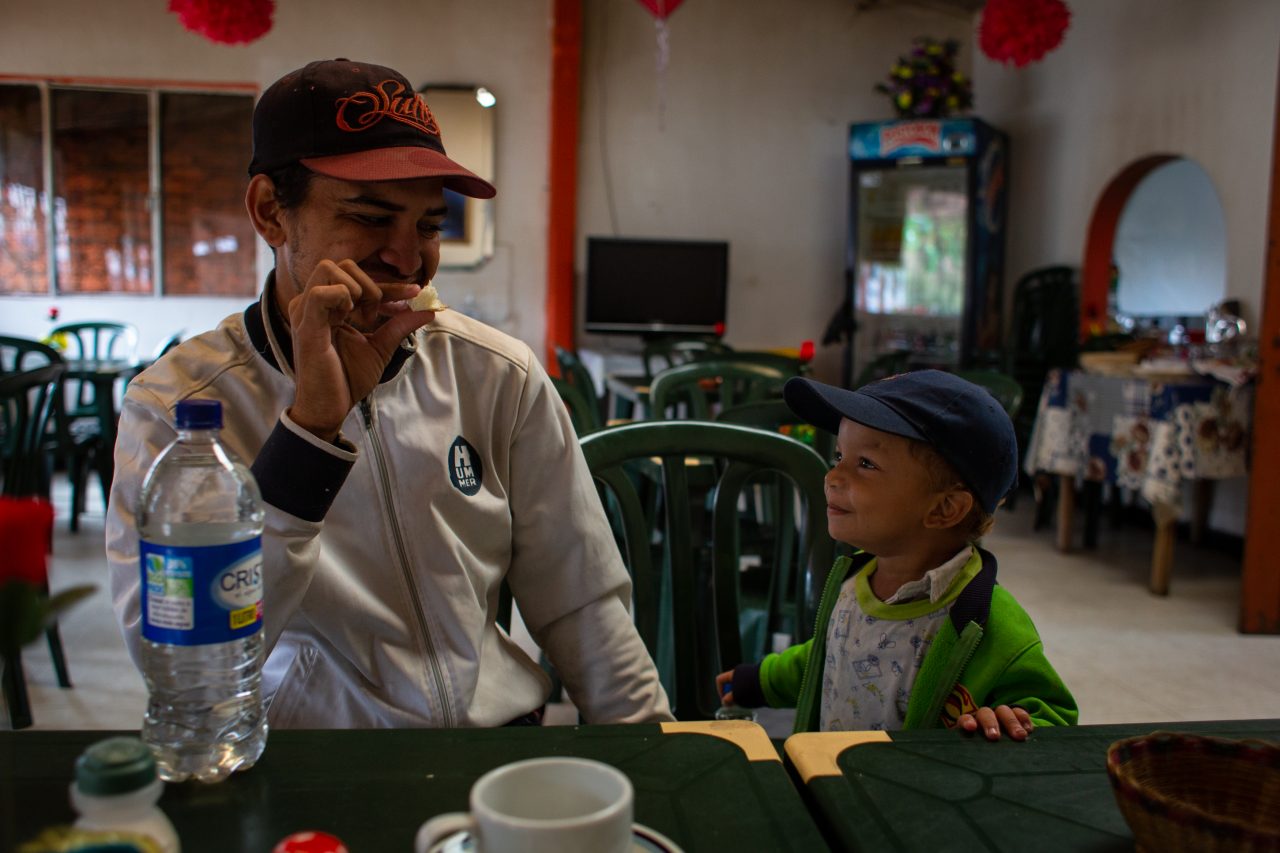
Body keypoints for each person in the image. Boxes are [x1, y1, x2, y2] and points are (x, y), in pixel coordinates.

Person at [106, 58, 671, 728]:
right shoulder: (182, 408)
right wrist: (309, 434)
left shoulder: (497, 374)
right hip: (314, 764)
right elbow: (183, 662)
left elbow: (583, 603)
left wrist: (653, 753)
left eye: (429, 224)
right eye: (371, 217)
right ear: (270, 213)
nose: (408, 257)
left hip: (490, 753)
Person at [717, 370, 1076, 739]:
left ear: (944, 509)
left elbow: (1055, 721)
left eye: (866, 464)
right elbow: (833, 656)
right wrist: (761, 680)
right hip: (829, 781)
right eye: (840, 455)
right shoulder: (855, 579)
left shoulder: (986, 618)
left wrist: (1012, 722)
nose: (832, 476)